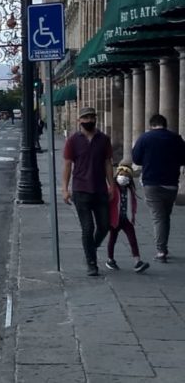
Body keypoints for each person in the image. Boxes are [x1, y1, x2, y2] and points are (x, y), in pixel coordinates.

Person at [61, 107, 115, 276]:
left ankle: (90, 248)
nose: (89, 120)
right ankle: (92, 263)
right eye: (85, 118)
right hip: (80, 189)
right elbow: (68, 165)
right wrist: (64, 189)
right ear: (79, 121)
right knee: (87, 227)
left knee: (105, 225)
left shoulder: (104, 139)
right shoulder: (72, 140)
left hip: (100, 189)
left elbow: (107, 163)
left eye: (92, 117)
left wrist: (111, 185)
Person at [131, 113, 185, 263]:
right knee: (165, 216)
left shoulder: (145, 138)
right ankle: (163, 247)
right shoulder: (176, 138)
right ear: (165, 124)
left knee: (158, 217)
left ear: (151, 125)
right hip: (171, 183)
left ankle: (161, 251)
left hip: (151, 183)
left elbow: (136, 158)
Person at [106, 164, 150, 273]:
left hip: (127, 220)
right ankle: (110, 259)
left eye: (126, 176)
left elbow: (133, 203)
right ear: (117, 176)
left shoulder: (130, 190)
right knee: (112, 239)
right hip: (115, 219)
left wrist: (133, 215)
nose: (123, 177)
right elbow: (107, 202)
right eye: (121, 175)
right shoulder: (112, 189)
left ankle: (137, 261)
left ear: (130, 179)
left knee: (133, 239)